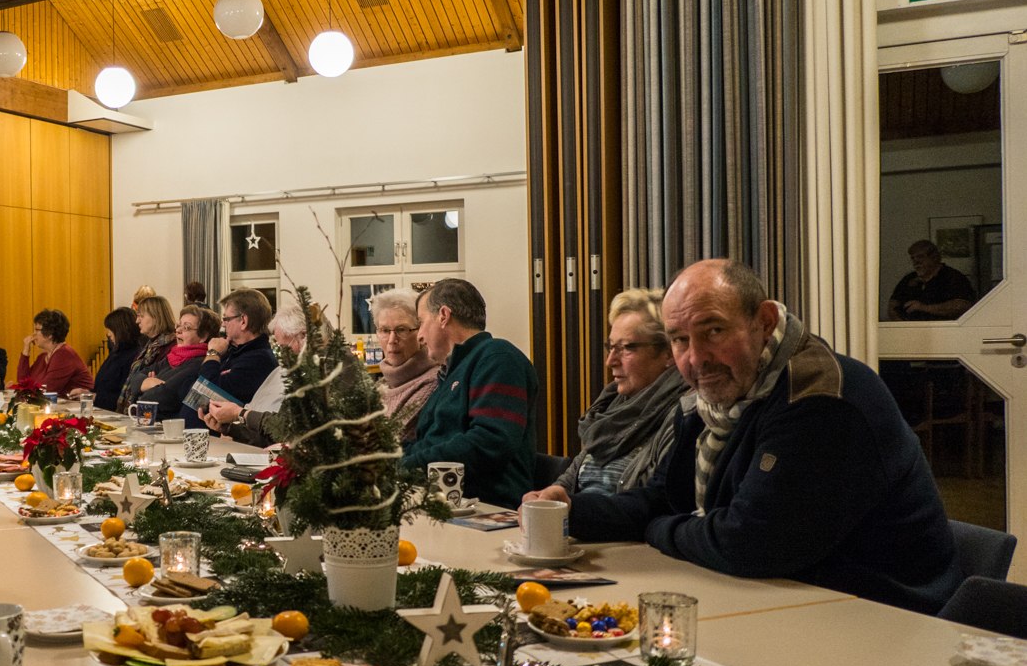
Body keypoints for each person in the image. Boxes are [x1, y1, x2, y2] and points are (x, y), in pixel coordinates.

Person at [570, 259, 963, 615]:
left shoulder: (821, 399)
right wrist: (569, 513)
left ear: (765, 321)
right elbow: (662, 497)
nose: (696, 358)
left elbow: (750, 543)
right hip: (777, 598)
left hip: (879, 617)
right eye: (680, 339)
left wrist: (659, 528)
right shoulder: (709, 402)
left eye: (713, 330)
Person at [523, 288, 687, 502]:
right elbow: (570, 480)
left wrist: (573, 509)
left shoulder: (682, 416)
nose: (611, 361)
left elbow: (649, 506)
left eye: (626, 348)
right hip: (579, 530)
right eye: (610, 347)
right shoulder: (611, 408)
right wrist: (546, 497)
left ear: (668, 353)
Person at [400, 278, 536, 506]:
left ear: (443, 316)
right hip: (448, 503)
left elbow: (490, 442)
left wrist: (403, 468)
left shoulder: (499, 358)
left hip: (489, 509)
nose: (420, 336)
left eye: (421, 322)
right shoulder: (452, 372)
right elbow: (430, 442)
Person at [200, 304, 308, 445]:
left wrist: (240, 413)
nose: (222, 324)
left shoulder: (261, 359)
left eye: (284, 347)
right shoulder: (282, 370)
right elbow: (269, 434)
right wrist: (229, 429)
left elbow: (284, 428)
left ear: (304, 336)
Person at [180, 288, 279, 425]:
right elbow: (188, 387)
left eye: (226, 318)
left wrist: (213, 353)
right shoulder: (232, 350)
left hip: (218, 439)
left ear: (243, 321)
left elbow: (205, 388)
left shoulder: (259, 359)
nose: (223, 324)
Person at [371, 287, 439, 444]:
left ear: (421, 332)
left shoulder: (433, 382)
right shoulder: (382, 384)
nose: (392, 339)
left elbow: (388, 444)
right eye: (385, 330)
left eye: (401, 329)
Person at [138, 304, 221, 415]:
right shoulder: (173, 356)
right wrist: (153, 384)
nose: (178, 331)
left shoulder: (200, 362)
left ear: (203, 336)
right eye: (179, 325)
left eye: (186, 327)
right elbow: (134, 379)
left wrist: (147, 386)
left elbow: (157, 398)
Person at [887, 239, 977, 320]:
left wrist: (924, 307)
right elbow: (892, 305)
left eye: (920, 257)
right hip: (911, 332)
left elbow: (963, 306)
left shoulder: (953, 277)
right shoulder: (909, 278)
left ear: (934, 257)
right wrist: (902, 325)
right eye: (913, 258)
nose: (916, 262)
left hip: (943, 331)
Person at [117, 295, 177, 410]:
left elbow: (160, 383)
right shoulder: (150, 345)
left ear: (156, 317)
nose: (137, 321)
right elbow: (138, 378)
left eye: (141, 316)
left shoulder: (172, 347)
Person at [16, 308, 94, 395]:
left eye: (37, 330)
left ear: (50, 334)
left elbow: (47, 390)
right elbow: (23, 383)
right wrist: (26, 351)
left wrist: (25, 389)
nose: (33, 334)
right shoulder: (42, 357)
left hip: (82, 406)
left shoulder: (64, 355)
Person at [92, 307, 142, 411]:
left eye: (111, 329)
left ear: (121, 330)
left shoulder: (134, 356)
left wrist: (95, 397)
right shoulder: (116, 353)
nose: (108, 334)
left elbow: (123, 396)